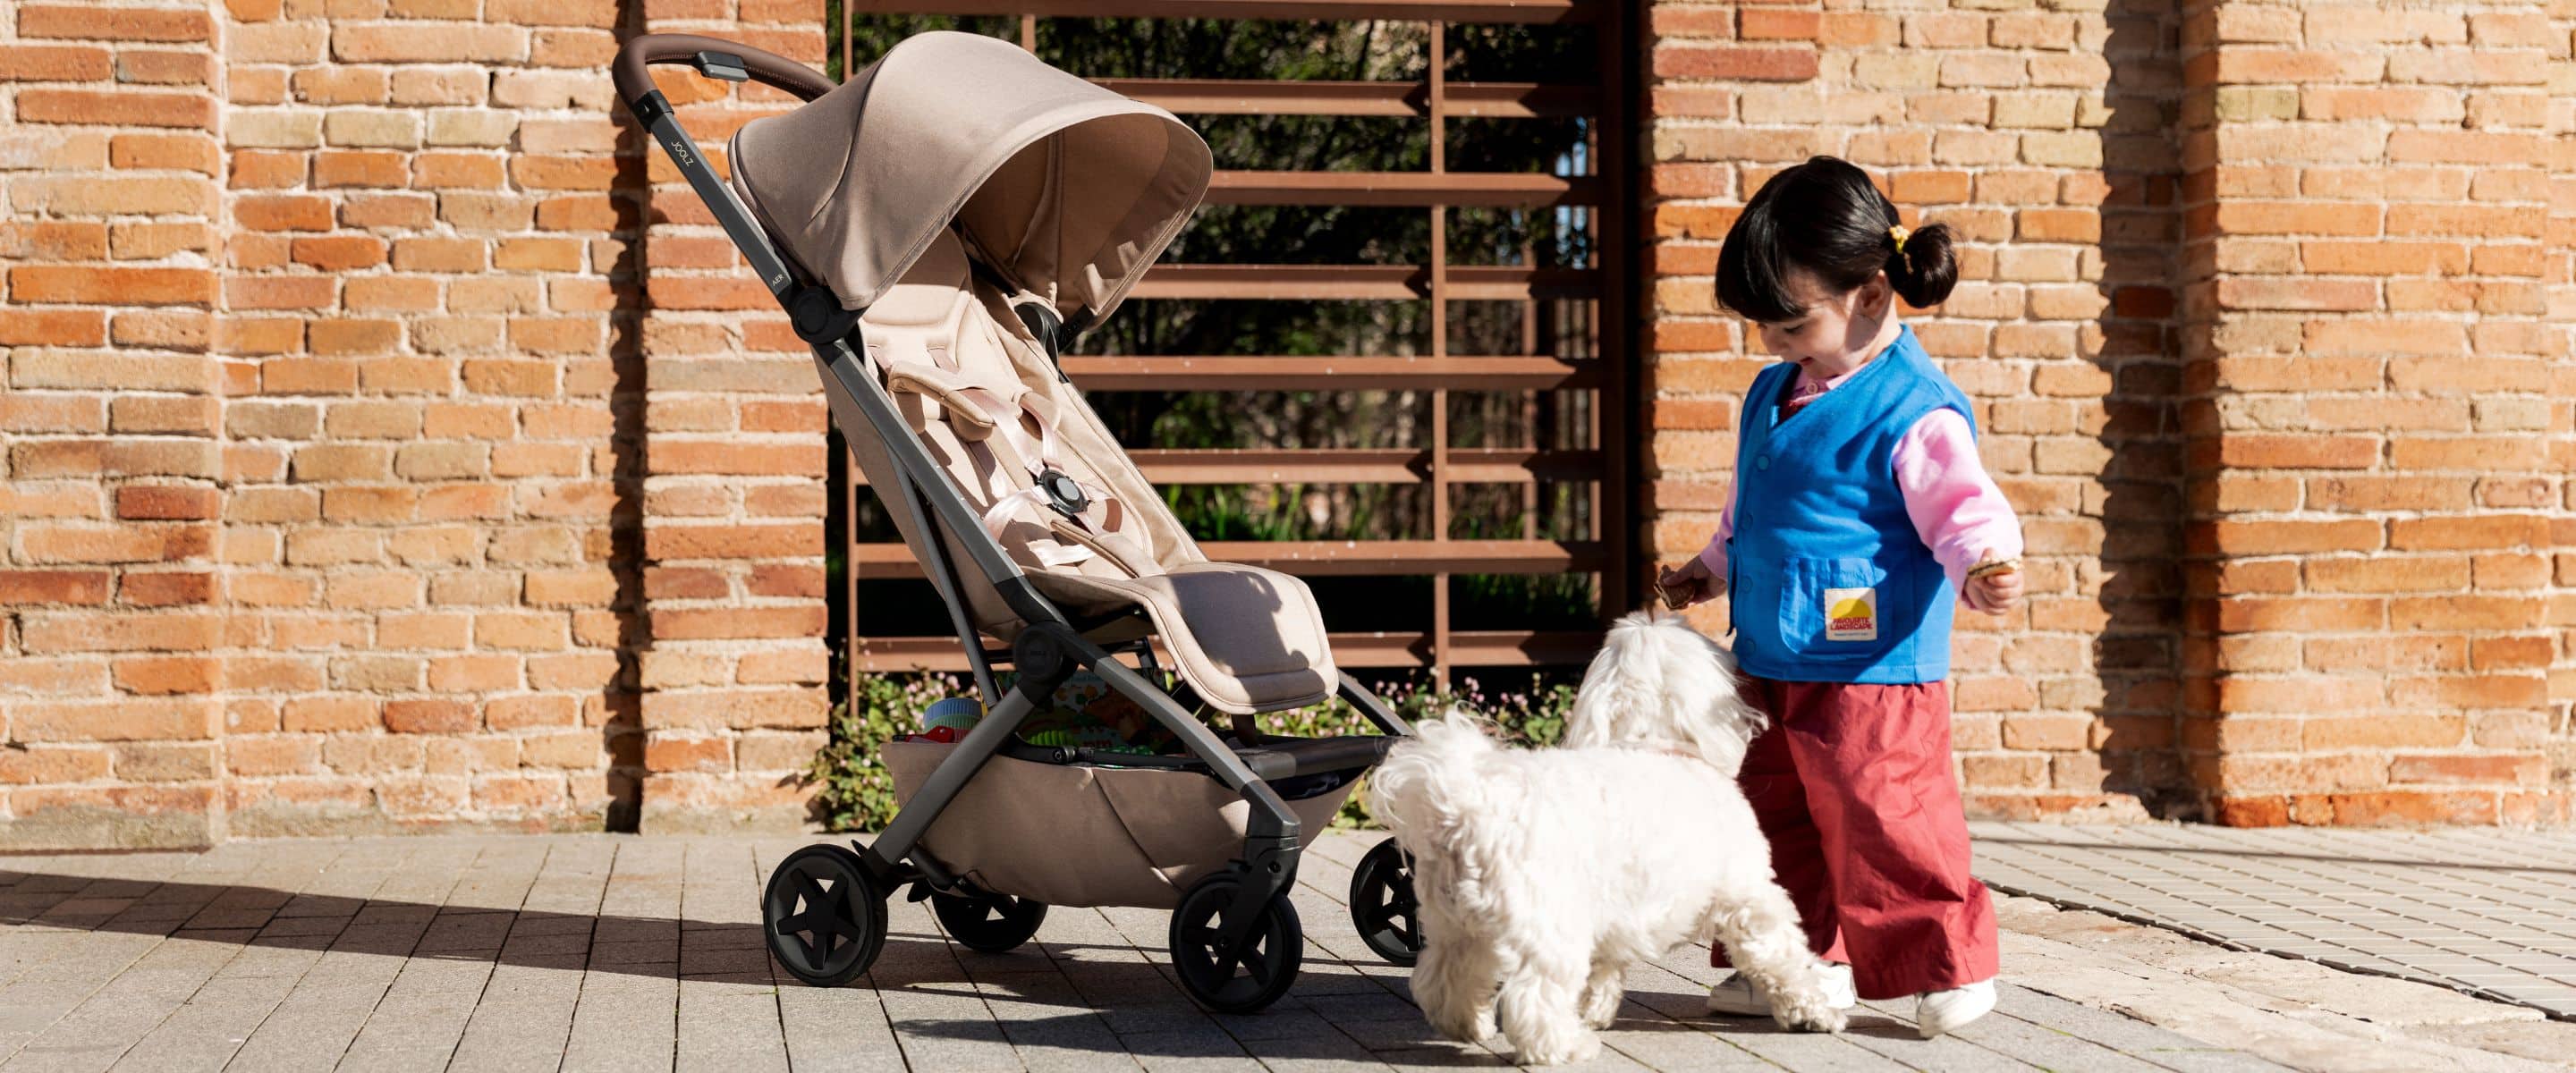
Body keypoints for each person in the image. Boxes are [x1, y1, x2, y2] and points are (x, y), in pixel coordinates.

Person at [1657, 156, 2026, 1039]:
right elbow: (1754, 507)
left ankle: (1947, 965)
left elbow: (1962, 507)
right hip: (1771, 654)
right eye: (1761, 325)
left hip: (1872, 665)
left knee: (1885, 815)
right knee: (1772, 815)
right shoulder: (1772, 392)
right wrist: (1711, 566)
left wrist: (1983, 563)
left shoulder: (1914, 407)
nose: (1771, 343)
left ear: (1869, 295)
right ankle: (1788, 963)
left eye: (1790, 323)